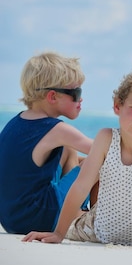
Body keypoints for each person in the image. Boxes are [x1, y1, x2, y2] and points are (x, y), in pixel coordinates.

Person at [23, 66, 132, 251]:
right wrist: (58, 233)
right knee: (78, 219)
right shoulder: (106, 138)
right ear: (117, 106)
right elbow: (81, 186)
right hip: (99, 231)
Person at [0, 51, 93, 234]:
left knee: (69, 149)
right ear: (52, 97)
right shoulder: (56, 129)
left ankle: (76, 211)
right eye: (76, 92)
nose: (80, 99)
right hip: (39, 218)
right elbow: (105, 150)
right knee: (99, 162)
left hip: (12, 220)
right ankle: (93, 220)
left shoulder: (15, 124)